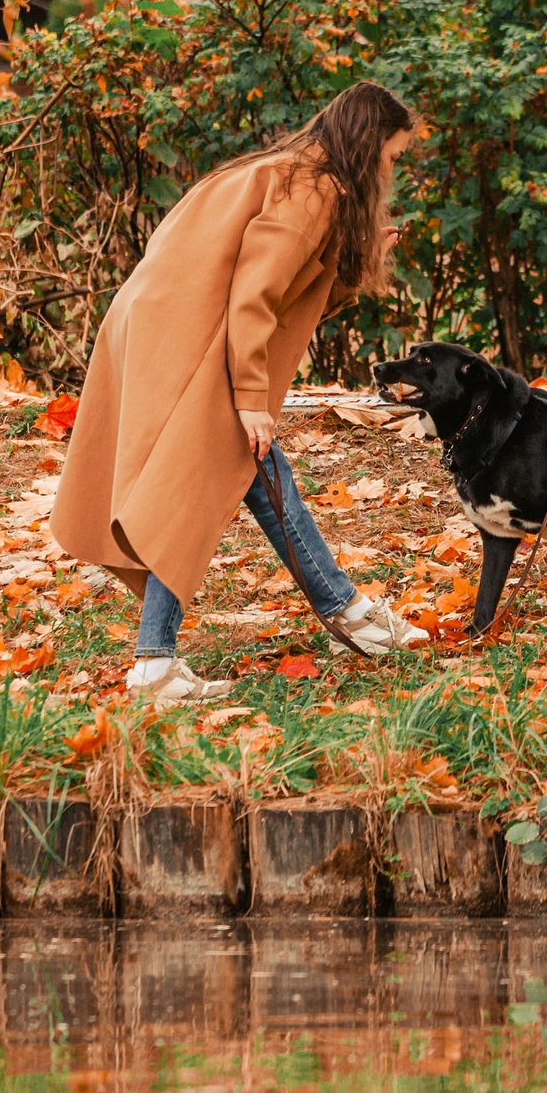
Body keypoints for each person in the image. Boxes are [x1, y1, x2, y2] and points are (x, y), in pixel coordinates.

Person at [51, 81, 431, 704]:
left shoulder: (289, 174)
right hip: (192, 338)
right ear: (367, 148)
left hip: (168, 328)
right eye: (392, 157)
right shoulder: (312, 192)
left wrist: (354, 272)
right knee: (194, 489)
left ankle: (344, 614)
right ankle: (162, 665)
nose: (392, 172)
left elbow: (286, 295)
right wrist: (251, 398)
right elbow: (253, 297)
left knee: (236, 476)